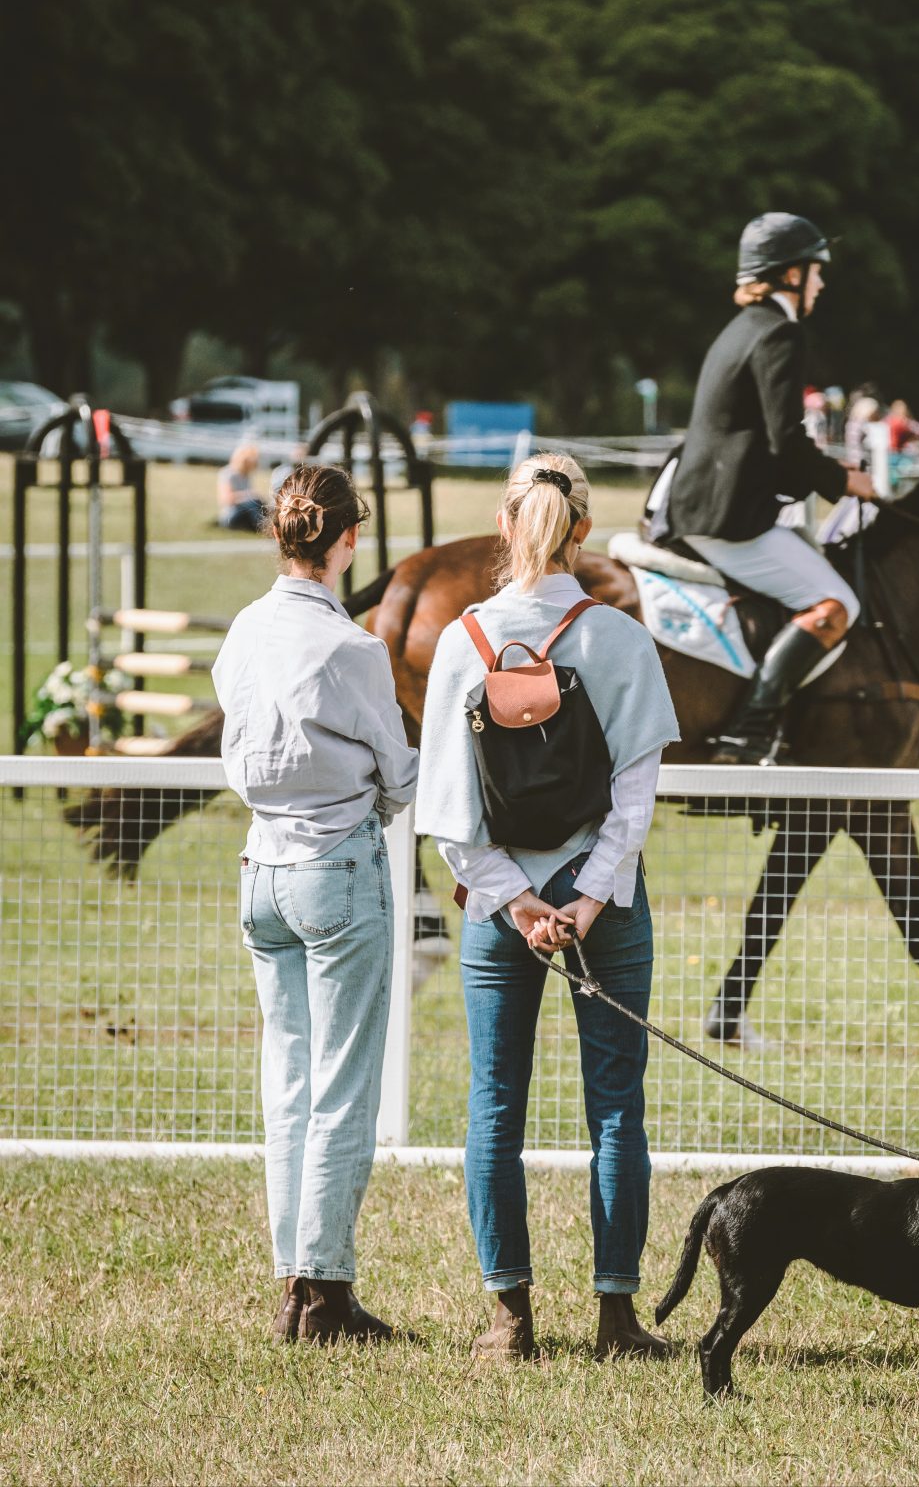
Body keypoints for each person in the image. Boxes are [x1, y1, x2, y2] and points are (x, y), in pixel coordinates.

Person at [416, 452, 680, 1363]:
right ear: (582, 530)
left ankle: (509, 1320)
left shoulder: (461, 641)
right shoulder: (619, 637)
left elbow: (447, 813)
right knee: (616, 1110)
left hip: (500, 907)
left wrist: (517, 900)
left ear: (504, 524)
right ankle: (616, 1318)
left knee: (495, 1107)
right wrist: (589, 898)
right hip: (604, 899)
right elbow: (634, 801)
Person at [212, 465, 419, 1345]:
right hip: (335, 863)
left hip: (261, 863)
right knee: (340, 1086)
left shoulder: (243, 629)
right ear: (348, 541)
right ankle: (325, 1291)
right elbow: (398, 773)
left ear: (280, 532)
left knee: (287, 1082)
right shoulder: (353, 649)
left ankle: (290, 1284)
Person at [664, 212, 878, 765]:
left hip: (703, 505)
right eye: (816, 271)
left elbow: (763, 440)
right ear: (790, 275)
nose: (821, 284)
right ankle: (749, 732)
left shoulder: (740, 328)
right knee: (836, 603)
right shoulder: (781, 332)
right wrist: (844, 480)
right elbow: (786, 439)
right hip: (727, 518)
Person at [217, 442, 265, 531]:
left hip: (245, 512)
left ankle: (261, 524)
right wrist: (248, 495)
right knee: (252, 504)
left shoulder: (246, 475)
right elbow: (226, 499)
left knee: (257, 504)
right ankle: (261, 526)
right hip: (230, 515)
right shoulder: (228, 473)